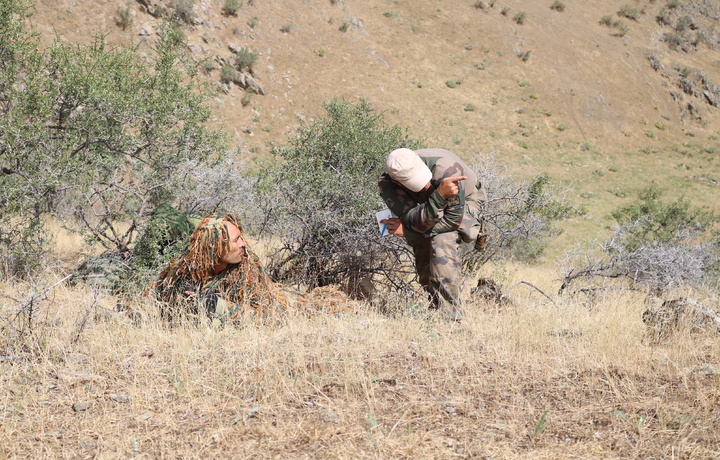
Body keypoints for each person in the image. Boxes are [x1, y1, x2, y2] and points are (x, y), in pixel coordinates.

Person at [149, 211, 351, 325]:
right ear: (214, 248)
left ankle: (357, 291)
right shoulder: (183, 270)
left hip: (284, 302)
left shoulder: (247, 268)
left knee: (314, 303)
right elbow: (158, 302)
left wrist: (217, 307)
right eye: (236, 240)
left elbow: (269, 315)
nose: (244, 244)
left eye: (241, 237)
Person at [378, 148, 487, 320]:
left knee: (443, 239)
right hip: (426, 206)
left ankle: (450, 316)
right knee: (422, 243)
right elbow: (414, 220)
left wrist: (408, 232)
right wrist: (414, 229)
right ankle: (436, 303)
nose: (426, 185)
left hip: (467, 200)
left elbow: (452, 221)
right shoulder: (388, 184)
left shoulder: (448, 172)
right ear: (398, 182)